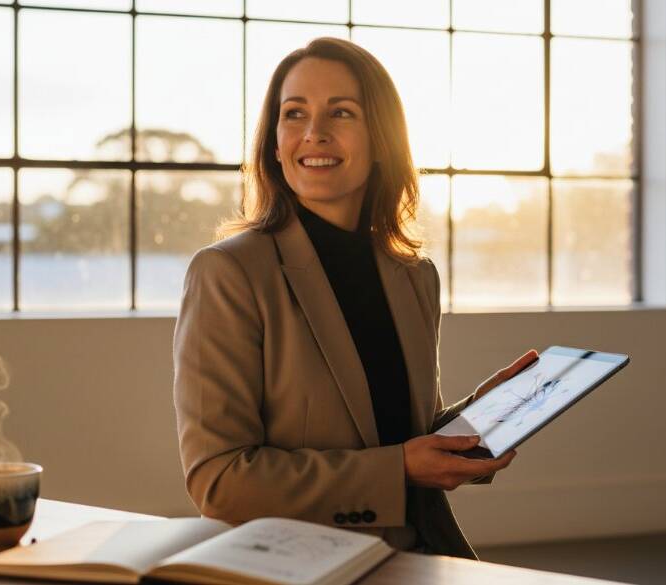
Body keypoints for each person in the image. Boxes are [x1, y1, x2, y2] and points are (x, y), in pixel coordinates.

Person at [172, 36, 538, 559]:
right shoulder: (228, 273)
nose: (314, 133)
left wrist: (478, 418)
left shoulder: (415, 275)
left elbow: (391, 434)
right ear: (275, 144)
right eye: (293, 114)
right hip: (305, 564)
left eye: (340, 113)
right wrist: (401, 469)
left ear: (383, 138)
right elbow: (220, 482)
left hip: (424, 554)